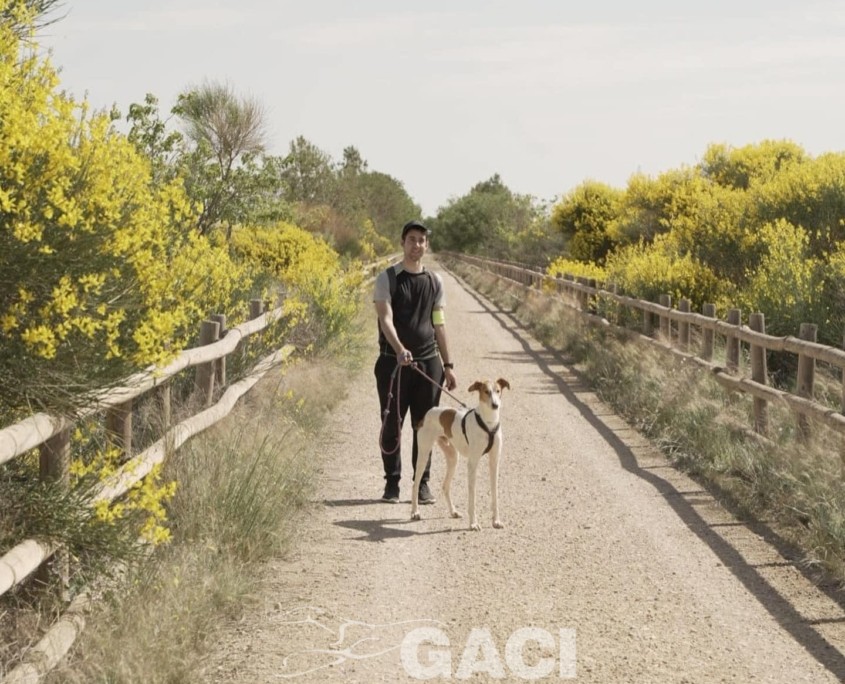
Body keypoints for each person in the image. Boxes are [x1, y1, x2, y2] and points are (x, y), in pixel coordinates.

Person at [373, 219, 457, 504]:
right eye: (411, 239)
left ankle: (421, 484)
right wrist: (399, 349)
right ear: (402, 242)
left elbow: (439, 324)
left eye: (421, 240)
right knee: (391, 424)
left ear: (426, 245)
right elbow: (385, 319)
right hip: (393, 364)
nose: (416, 245)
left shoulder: (435, 282)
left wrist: (448, 366)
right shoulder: (388, 278)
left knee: (426, 427)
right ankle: (392, 483)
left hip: (427, 364)